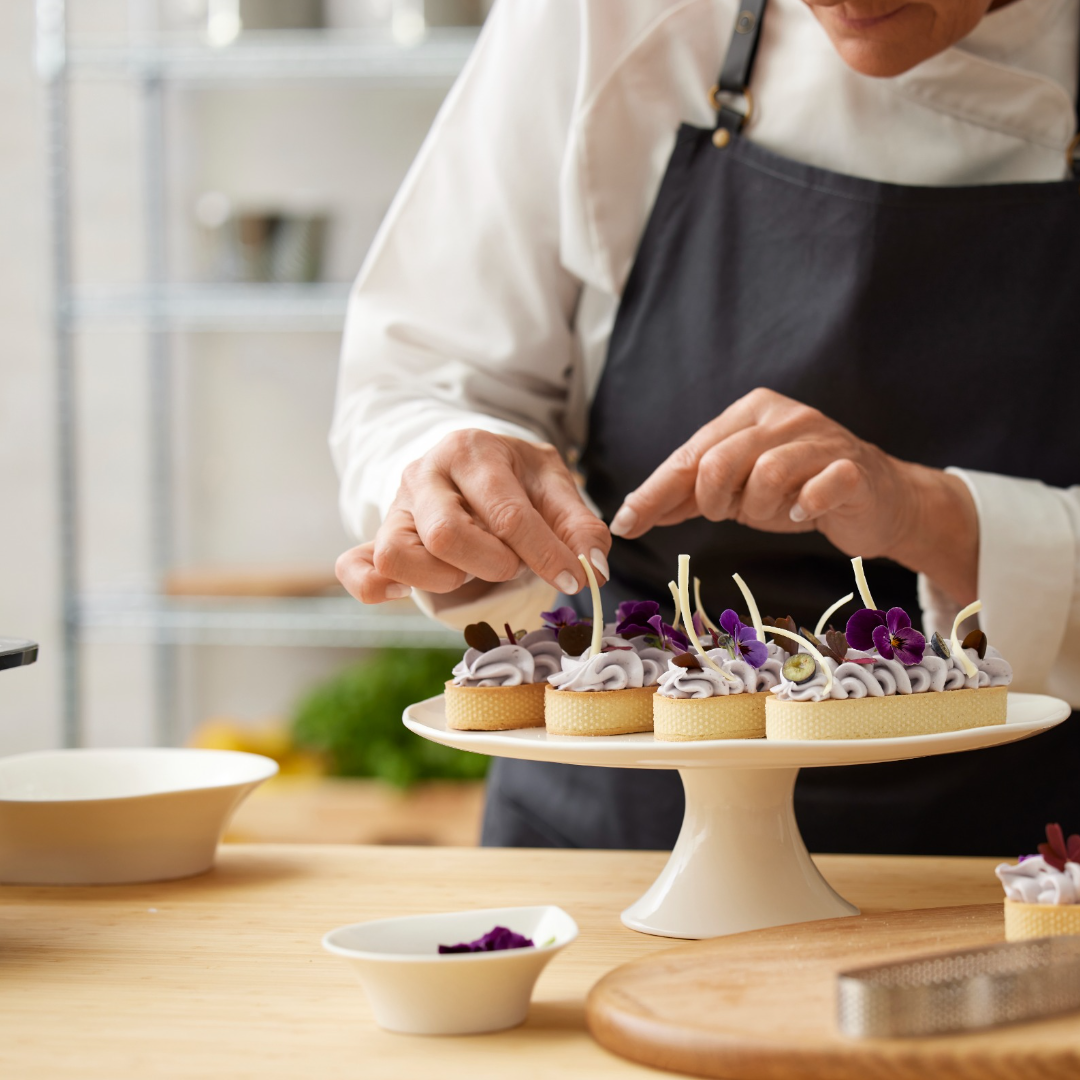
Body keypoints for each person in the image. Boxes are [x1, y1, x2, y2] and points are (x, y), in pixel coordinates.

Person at [332, 0, 1080, 855]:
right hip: (619, 828)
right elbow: (422, 367)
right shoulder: (603, 18)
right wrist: (458, 479)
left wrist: (927, 516)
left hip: (1019, 856)